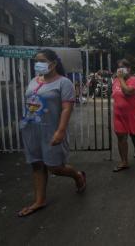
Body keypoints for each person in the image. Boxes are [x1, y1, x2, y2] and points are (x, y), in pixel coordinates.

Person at [18, 49, 86, 217]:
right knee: (37, 165)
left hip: (52, 131)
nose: (37, 64)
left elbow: (66, 108)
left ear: (53, 63)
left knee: (55, 167)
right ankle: (39, 200)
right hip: (32, 129)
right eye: (36, 61)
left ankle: (77, 176)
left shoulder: (64, 83)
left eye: (41, 61)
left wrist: (61, 131)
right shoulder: (34, 80)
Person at [111, 59, 135, 172]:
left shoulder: (134, 80)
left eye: (122, 68)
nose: (120, 70)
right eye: (118, 68)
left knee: (134, 135)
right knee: (121, 137)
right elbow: (115, 94)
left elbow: (127, 91)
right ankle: (124, 162)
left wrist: (121, 79)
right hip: (119, 115)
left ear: (128, 69)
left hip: (132, 115)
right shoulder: (115, 80)